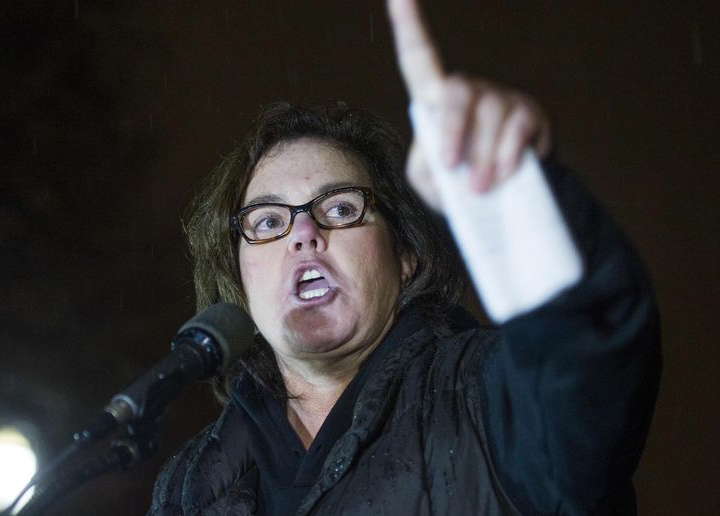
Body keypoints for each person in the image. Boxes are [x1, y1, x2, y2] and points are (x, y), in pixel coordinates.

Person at [148, 0, 661, 514]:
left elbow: (586, 364)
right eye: (267, 222)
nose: (303, 232)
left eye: (341, 208)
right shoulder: (187, 487)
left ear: (406, 257)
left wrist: (517, 203)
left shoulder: (487, 398)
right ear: (238, 275)